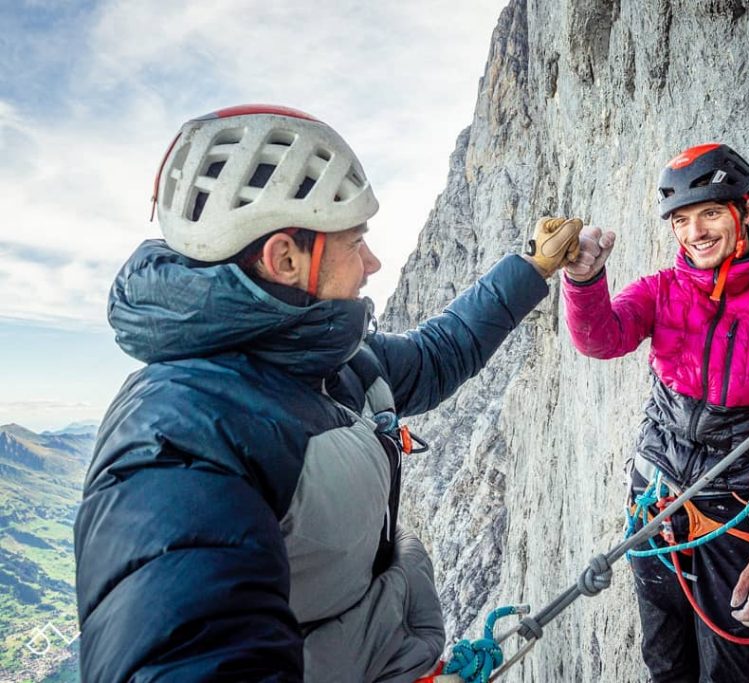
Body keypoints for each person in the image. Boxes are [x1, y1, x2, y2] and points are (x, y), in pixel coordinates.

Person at [73, 105, 582, 683]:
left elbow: (438, 354)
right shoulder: (177, 435)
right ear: (285, 259)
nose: (373, 261)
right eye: (355, 241)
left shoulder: (326, 361)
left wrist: (533, 266)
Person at [559, 143, 749, 682]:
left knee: (732, 676)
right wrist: (583, 281)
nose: (695, 232)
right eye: (681, 220)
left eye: (710, 213)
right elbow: (603, 338)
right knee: (665, 665)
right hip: (653, 504)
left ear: (748, 210)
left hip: (734, 518)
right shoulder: (664, 290)